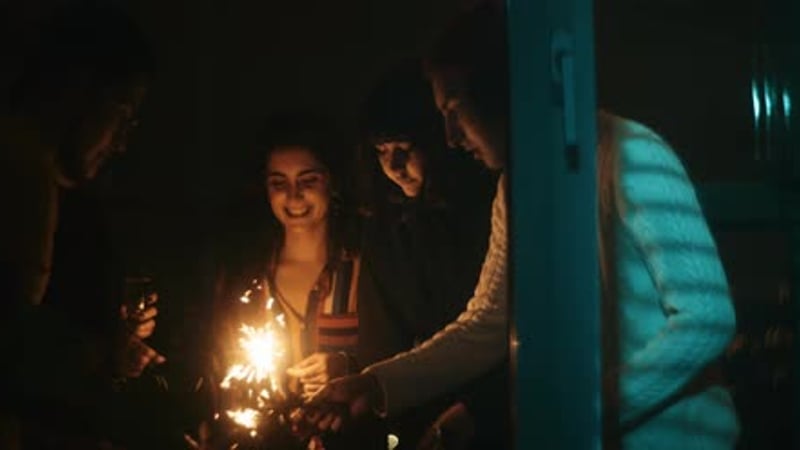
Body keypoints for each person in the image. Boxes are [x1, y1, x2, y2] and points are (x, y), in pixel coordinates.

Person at [306, 2, 740, 449]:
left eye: (456, 110)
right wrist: (374, 385)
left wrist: (585, 408)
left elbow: (707, 319)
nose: (451, 138)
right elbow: (488, 323)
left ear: (503, 91)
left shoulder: (631, 155)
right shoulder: (515, 187)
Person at [0, 2, 163, 447]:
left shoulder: (57, 191)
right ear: (75, 91)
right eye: (123, 115)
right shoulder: (18, 173)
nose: (124, 142)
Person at [355, 61, 505, 449]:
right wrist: (370, 389)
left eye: (404, 148)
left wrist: (475, 410)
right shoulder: (384, 233)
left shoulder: (487, 212)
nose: (393, 166)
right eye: (381, 152)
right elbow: (381, 337)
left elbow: (491, 327)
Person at [210, 113, 383, 449]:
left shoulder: (366, 265)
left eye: (308, 181)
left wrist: (347, 366)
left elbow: (403, 348)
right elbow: (221, 363)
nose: (293, 196)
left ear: (332, 182)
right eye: (279, 183)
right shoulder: (250, 277)